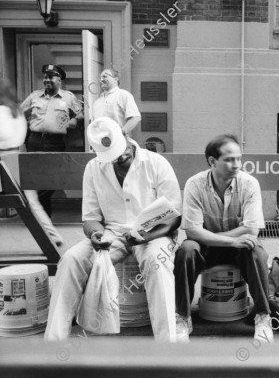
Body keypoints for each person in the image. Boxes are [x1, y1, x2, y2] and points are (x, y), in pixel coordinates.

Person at [44, 117, 182, 342]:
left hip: (153, 234)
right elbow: (90, 218)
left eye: (122, 151)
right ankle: (53, 342)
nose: (120, 158)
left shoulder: (156, 163)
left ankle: (167, 346)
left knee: (157, 261)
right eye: (113, 158)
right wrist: (95, 234)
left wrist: (146, 235)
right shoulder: (93, 168)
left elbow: (174, 217)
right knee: (70, 259)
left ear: (125, 135)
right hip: (111, 233)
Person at [174, 134, 272, 343]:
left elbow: (251, 230)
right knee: (186, 251)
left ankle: (263, 316)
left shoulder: (249, 184)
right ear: (212, 161)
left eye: (238, 158)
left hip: (236, 247)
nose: (236, 164)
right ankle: (182, 316)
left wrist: (213, 237)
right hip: (206, 248)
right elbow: (192, 231)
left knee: (255, 251)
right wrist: (230, 240)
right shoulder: (195, 184)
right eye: (229, 159)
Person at [0, 78, 64, 248]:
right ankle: (52, 234)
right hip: (18, 158)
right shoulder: (16, 112)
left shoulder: (2, 112)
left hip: (3, 162)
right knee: (33, 203)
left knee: (31, 202)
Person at [20, 64, 82, 217]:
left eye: (51, 77)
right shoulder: (35, 96)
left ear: (59, 79)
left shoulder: (68, 97)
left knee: (53, 179)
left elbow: (81, 114)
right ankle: (44, 216)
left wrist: (75, 120)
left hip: (55, 142)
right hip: (34, 141)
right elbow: (18, 113)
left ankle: (33, 209)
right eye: (45, 77)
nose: (47, 80)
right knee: (36, 178)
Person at [92, 68, 141, 134]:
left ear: (115, 79)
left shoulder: (123, 95)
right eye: (100, 77)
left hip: (117, 142)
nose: (101, 80)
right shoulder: (97, 102)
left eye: (104, 76)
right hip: (99, 142)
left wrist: (120, 134)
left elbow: (135, 118)